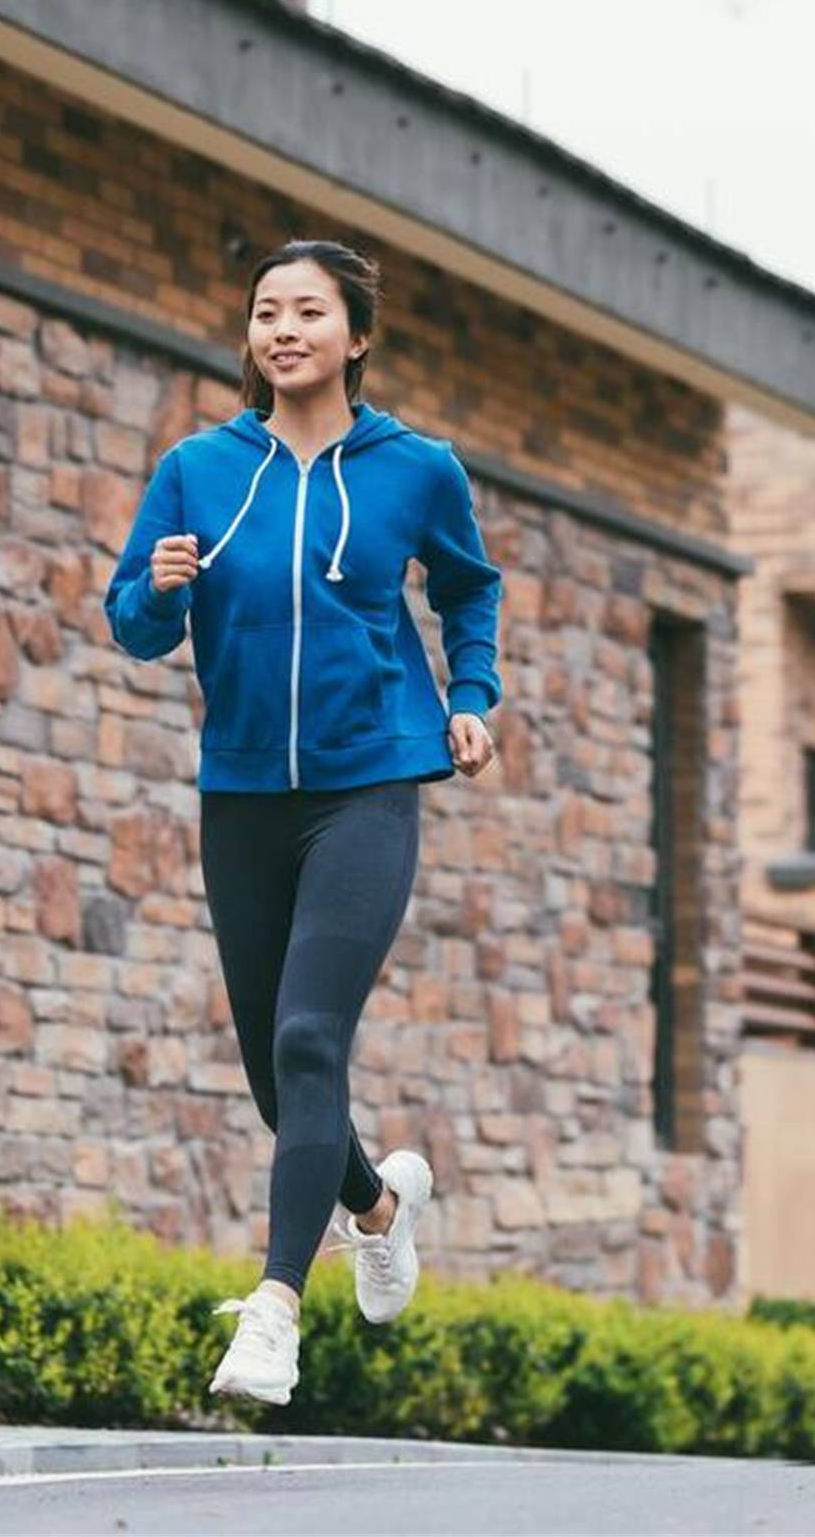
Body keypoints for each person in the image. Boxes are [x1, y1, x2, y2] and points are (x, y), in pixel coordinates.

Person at [103, 239, 504, 1405]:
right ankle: (380, 1205)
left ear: (355, 335)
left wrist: (469, 698)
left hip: (369, 779)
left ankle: (275, 1308)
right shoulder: (196, 467)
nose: (284, 329)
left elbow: (467, 586)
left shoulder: (416, 468)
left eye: (309, 311)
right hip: (239, 790)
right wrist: (160, 588)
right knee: (279, 1081)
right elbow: (132, 623)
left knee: (309, 1039)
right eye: (266, 311)